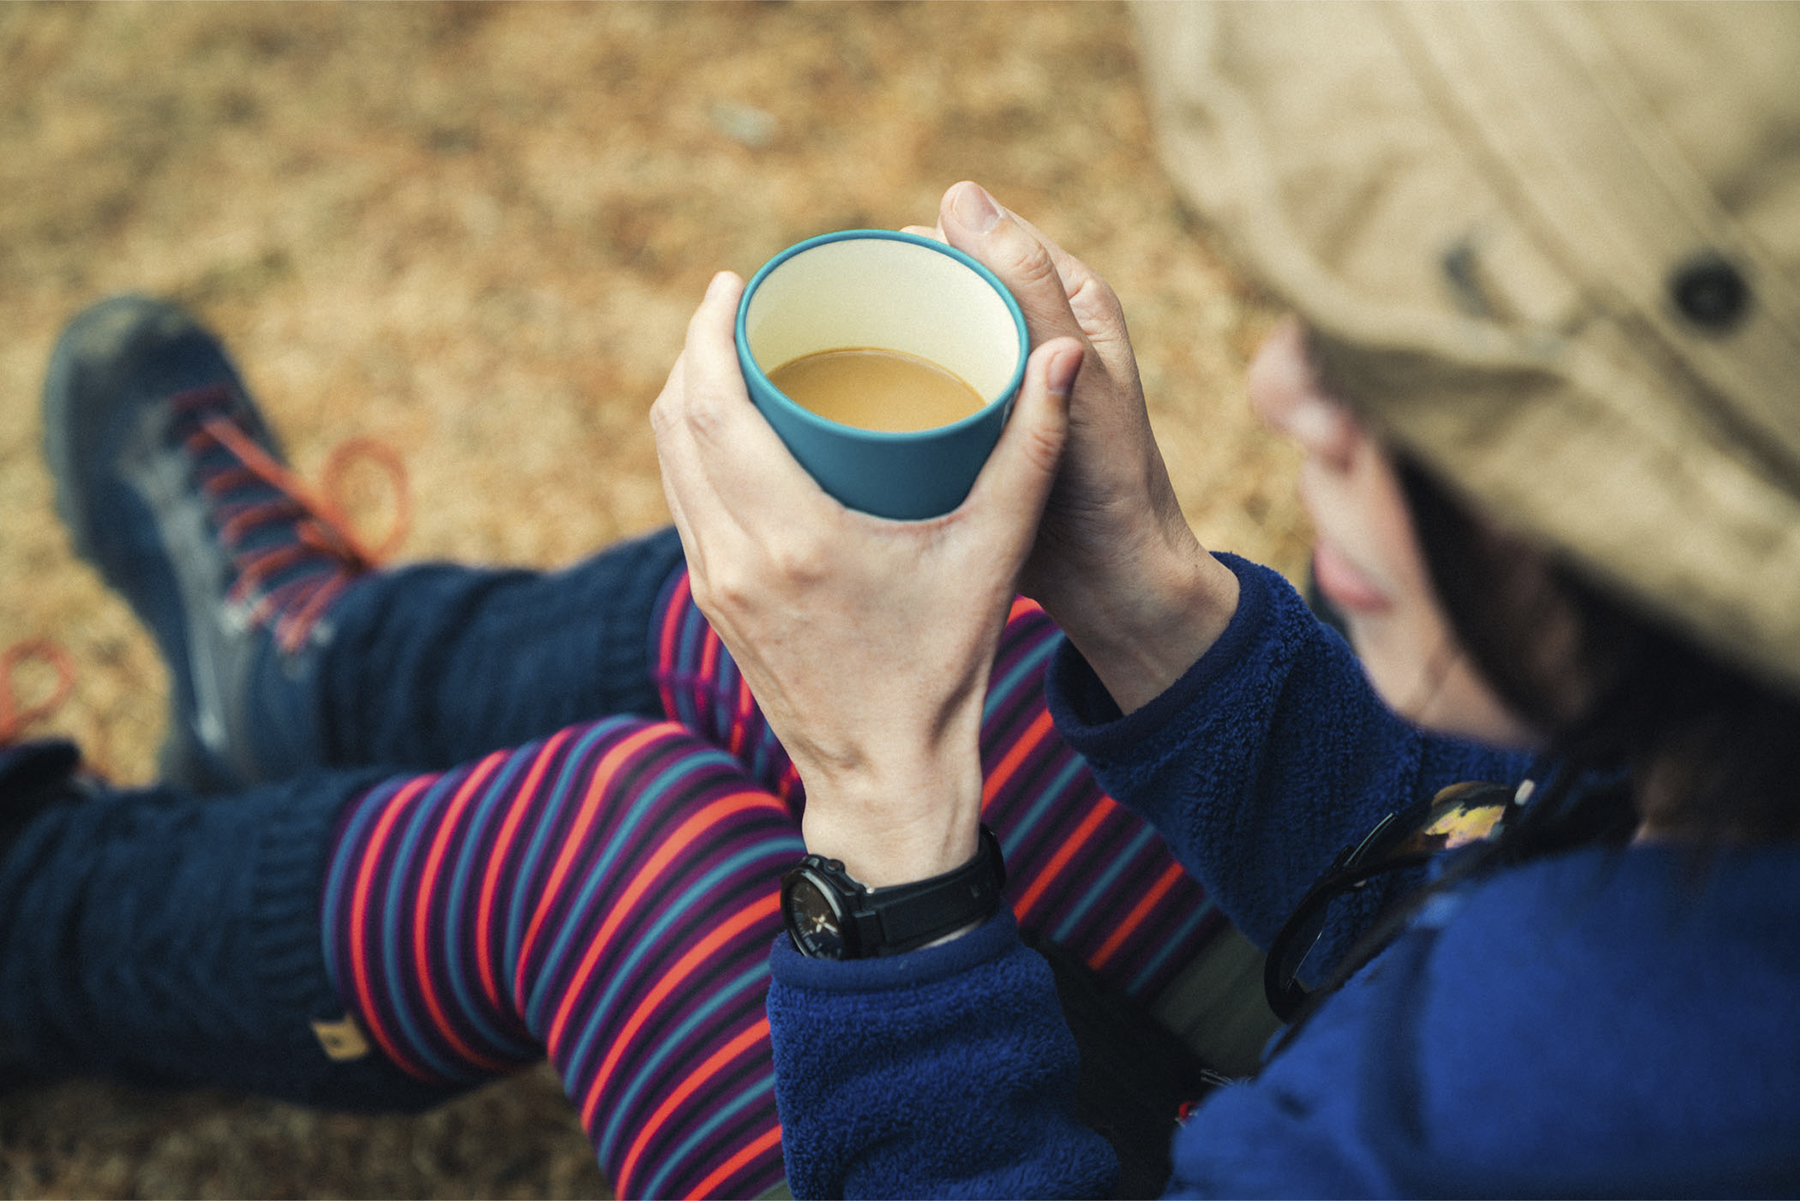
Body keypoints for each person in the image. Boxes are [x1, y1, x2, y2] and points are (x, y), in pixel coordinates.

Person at [647, 2, 1800, 1197]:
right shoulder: (1720, 787)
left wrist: (882, 817)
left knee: (630, 826)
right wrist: (1144, 597)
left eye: (1429, 389)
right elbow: (1491, 840)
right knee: (734, 612)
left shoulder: (1512, 1112)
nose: (1278, 389)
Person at [1, 282, 1257, 1198]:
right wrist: (1165, 618)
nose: (1289, 386)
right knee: (878, 647)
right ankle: (301, 683)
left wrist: (894, 828)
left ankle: (27, 917)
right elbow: (1426, 871)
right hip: (1355, 1042)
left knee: (606, 839)